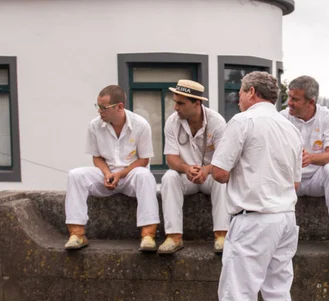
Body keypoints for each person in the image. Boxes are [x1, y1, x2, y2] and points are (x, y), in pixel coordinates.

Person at [193, 71, 302, 301]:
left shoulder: (242, 122)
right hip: (285, 216)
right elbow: (295, 182)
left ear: (251, 92)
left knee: (237, 295)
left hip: (253, 218)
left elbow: (223, 174)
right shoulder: (289, 127)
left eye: (239, 93)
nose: (237, 98)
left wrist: (211, 167)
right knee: (279, 293)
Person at [64, 85, 160, 251]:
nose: (99, 111)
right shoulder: (94, 125)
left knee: (145, 176)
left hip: (131, 176)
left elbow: (144, 160)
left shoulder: (141, 125)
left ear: (119, 107)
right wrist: (108, 173)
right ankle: (77, 234)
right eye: (98, 107)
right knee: (75, 175)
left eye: (103, 108)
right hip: (106, 175)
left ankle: (148, 235)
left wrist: (120, 174)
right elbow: (97, 157)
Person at [281, 76, 329, 256]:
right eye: (289, 97)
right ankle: (275, 237)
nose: (289, 103)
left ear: (310, 102)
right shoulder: (282, 118)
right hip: (289, 181)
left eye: (295, 99)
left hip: (316, 180)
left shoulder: (328, 117)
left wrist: (311, 158)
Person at [157, 79, 228, 254]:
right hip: (186, 176)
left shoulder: (217, 121)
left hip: (210, 176)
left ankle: (222, 235)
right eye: (175, 102)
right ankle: (174, 237)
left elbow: (224, 158)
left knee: (222, 180)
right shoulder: (172, 122)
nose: (175, 107)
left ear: (197, 103)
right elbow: (171, 159)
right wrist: (186, 168)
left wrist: (207, 170)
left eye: (181, 103)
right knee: (169, 177)